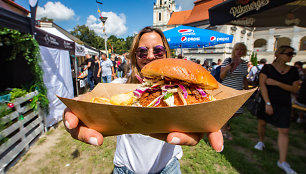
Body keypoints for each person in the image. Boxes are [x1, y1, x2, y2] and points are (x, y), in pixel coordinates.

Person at [63, 26, 223, 174]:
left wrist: (206, 116)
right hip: (125, 168)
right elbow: (94, 97)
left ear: (167, 54)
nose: (150, 56)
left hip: (168, 168)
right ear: (135, 55)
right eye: (142, 52)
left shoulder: (182, 95)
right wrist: (77, 106)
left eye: (158, 51)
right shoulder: (120, 86)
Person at [254, 46, 299, 174]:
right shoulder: (267, 68)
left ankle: (282, 161)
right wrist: (267, 103)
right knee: (262, 123)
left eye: (292, 53)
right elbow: (262, 86)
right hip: (267, 101)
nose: (291, 56)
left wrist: (277, 83)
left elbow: (295, 89)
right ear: (278, 54)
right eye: (289, 53)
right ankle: (261, 141)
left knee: (284, 130)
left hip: (284, 104)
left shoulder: (293, 70)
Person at [220, 42, 249, 140]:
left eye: (242, 50)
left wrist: (246, 89)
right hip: (226, 88)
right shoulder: (227, 61)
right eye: (237, 49)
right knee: (226, 110)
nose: (239, 51)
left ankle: (223, 124)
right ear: (234, 50)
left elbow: (244, 77)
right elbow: (221, 76)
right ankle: (223, 130)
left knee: (238, 111)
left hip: (238, 89)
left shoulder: (244, 64)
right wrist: (227, 68)